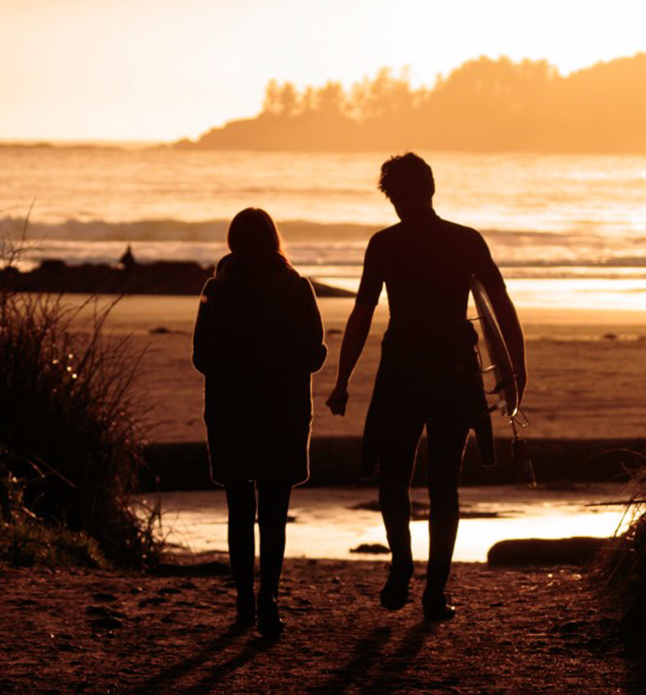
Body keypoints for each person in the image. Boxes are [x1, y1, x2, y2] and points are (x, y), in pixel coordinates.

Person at [326, 153, 526, 620]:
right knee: (444, 485)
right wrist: (516, 368)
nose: (396, 203)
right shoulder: (464, 240)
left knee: (393, 477)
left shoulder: (385, 244)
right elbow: (502, 305)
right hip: (452, 369)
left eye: (396, 195)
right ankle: (434, 590)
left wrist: (344, 379)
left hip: (403, 368)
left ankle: (402, 566)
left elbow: (362, 314)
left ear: (404, 194)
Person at [193, 207, 327, 638]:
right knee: (273, 512)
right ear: (274, 240)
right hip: (282, 411)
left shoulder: (216, 289)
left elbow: (200, 357)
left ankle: (244, 602)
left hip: (231, 410)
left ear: (233, 242)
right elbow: (314, 355)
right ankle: (269, 596)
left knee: (238, 510)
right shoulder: (297, 288)